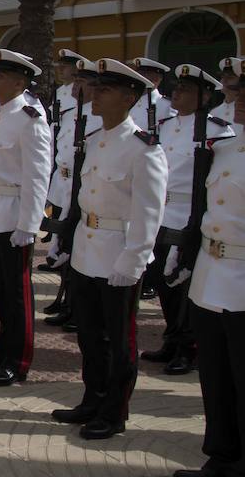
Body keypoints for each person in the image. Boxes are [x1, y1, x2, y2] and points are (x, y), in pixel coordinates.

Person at [49, 59, 167, 440]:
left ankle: (114, 412)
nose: (94, 95)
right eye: (95, 88)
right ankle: (92, 398)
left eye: (105, 90)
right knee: (89, 336)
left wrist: (133, 261)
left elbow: (148, 214)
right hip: (87, 250)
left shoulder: (143, 149)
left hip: (118, 254)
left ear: (129, 98)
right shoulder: (95, 140)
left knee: (119, 341)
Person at [172, 57, 245, 477]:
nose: (236, 100)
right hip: (213, 274)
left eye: (243, 92)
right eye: (234, 91)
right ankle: (220, 457)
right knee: (216, 376)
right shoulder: (226, 148)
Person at [0, 49, 52, 386]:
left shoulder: (31, 119)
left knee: (17, 294)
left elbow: (37, 177)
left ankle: (19, 360)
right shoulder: (2, 114)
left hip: (16, 216)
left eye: (0, 76)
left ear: (19, 82)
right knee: (1, 291)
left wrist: (29, 225)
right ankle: (2, 352)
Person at [141, 65, 233, 375]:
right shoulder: (165, 125)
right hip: (161, 213)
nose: (177, 93)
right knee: (162, 281)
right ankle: (172, 339)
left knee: (184, 286)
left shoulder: (217, 130)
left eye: (186, 89)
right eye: (177, 87)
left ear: (204, 96)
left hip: (189, 215)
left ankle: (188, 348)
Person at [42, 52, 102, 331]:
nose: (76, 86)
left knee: (79, 249)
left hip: (82, 190)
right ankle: (66, 301)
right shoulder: (71, 114)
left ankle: (78, 308)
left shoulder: (99, 119)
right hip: (63, 186)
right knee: (64, 245)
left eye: (83, 82)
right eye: (75, 81)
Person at [129, 57, 176, 132]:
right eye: (137, 74)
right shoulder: (126, 101)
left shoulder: (167, 106)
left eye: (144, 74)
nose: (138, 78)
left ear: (158, 78)